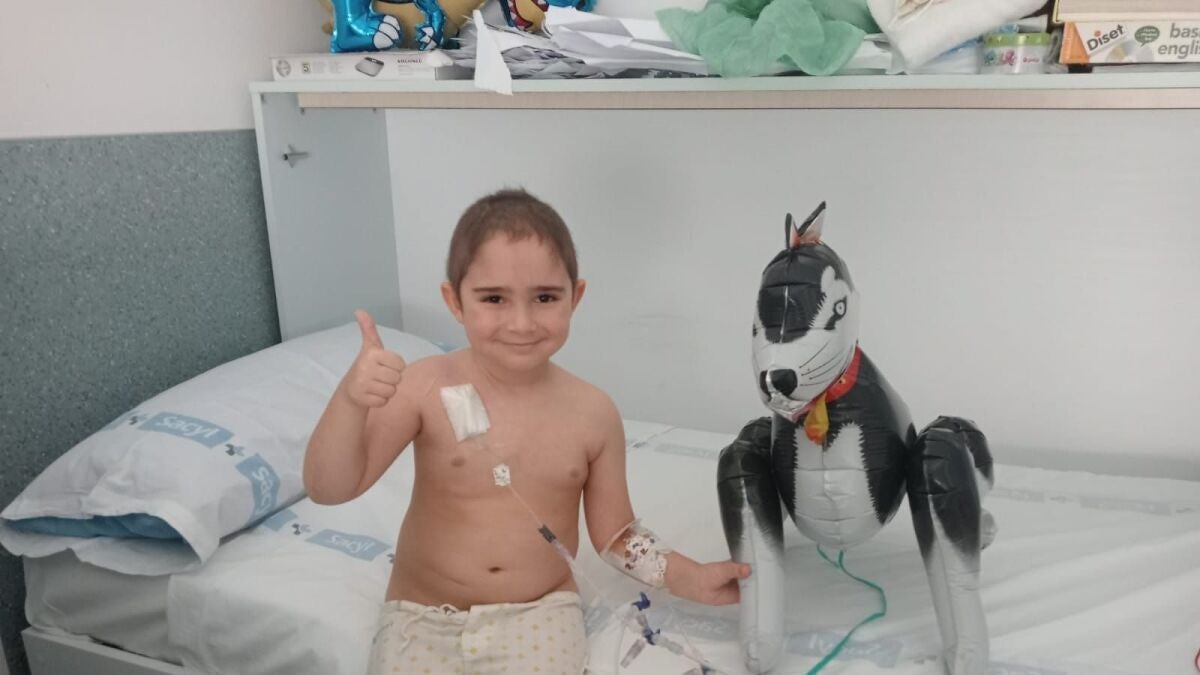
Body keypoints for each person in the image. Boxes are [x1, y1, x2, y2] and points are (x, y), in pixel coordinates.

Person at [304, 188, 749, 675]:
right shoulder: (424, 386)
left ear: (575, 297)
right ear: (454, 301)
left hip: (540, 615)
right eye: (494, 298)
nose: (521, 322)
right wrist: (351, 401)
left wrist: (689, 577)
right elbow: (330, 488)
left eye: (545, 298)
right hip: (422, 614)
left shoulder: (593, 413)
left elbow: (618, 536)